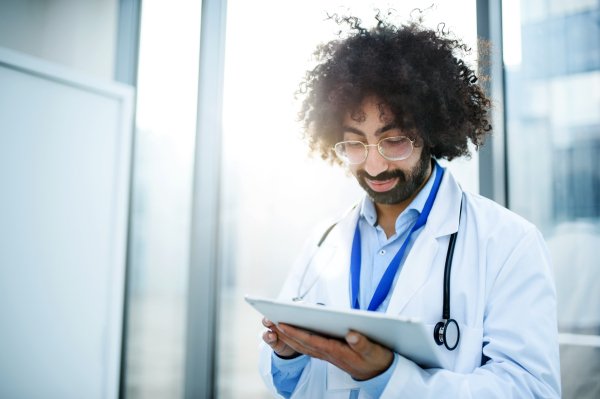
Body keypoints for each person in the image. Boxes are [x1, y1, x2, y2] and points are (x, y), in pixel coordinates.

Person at [258, 12, 561, 399]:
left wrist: (390, 376)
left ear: (431, 132)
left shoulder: (509, 243)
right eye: (355, 143)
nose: (374, 165)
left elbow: (532, 389)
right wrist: (288, 357)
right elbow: (286, 383)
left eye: (394, 139)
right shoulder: (324, 238)